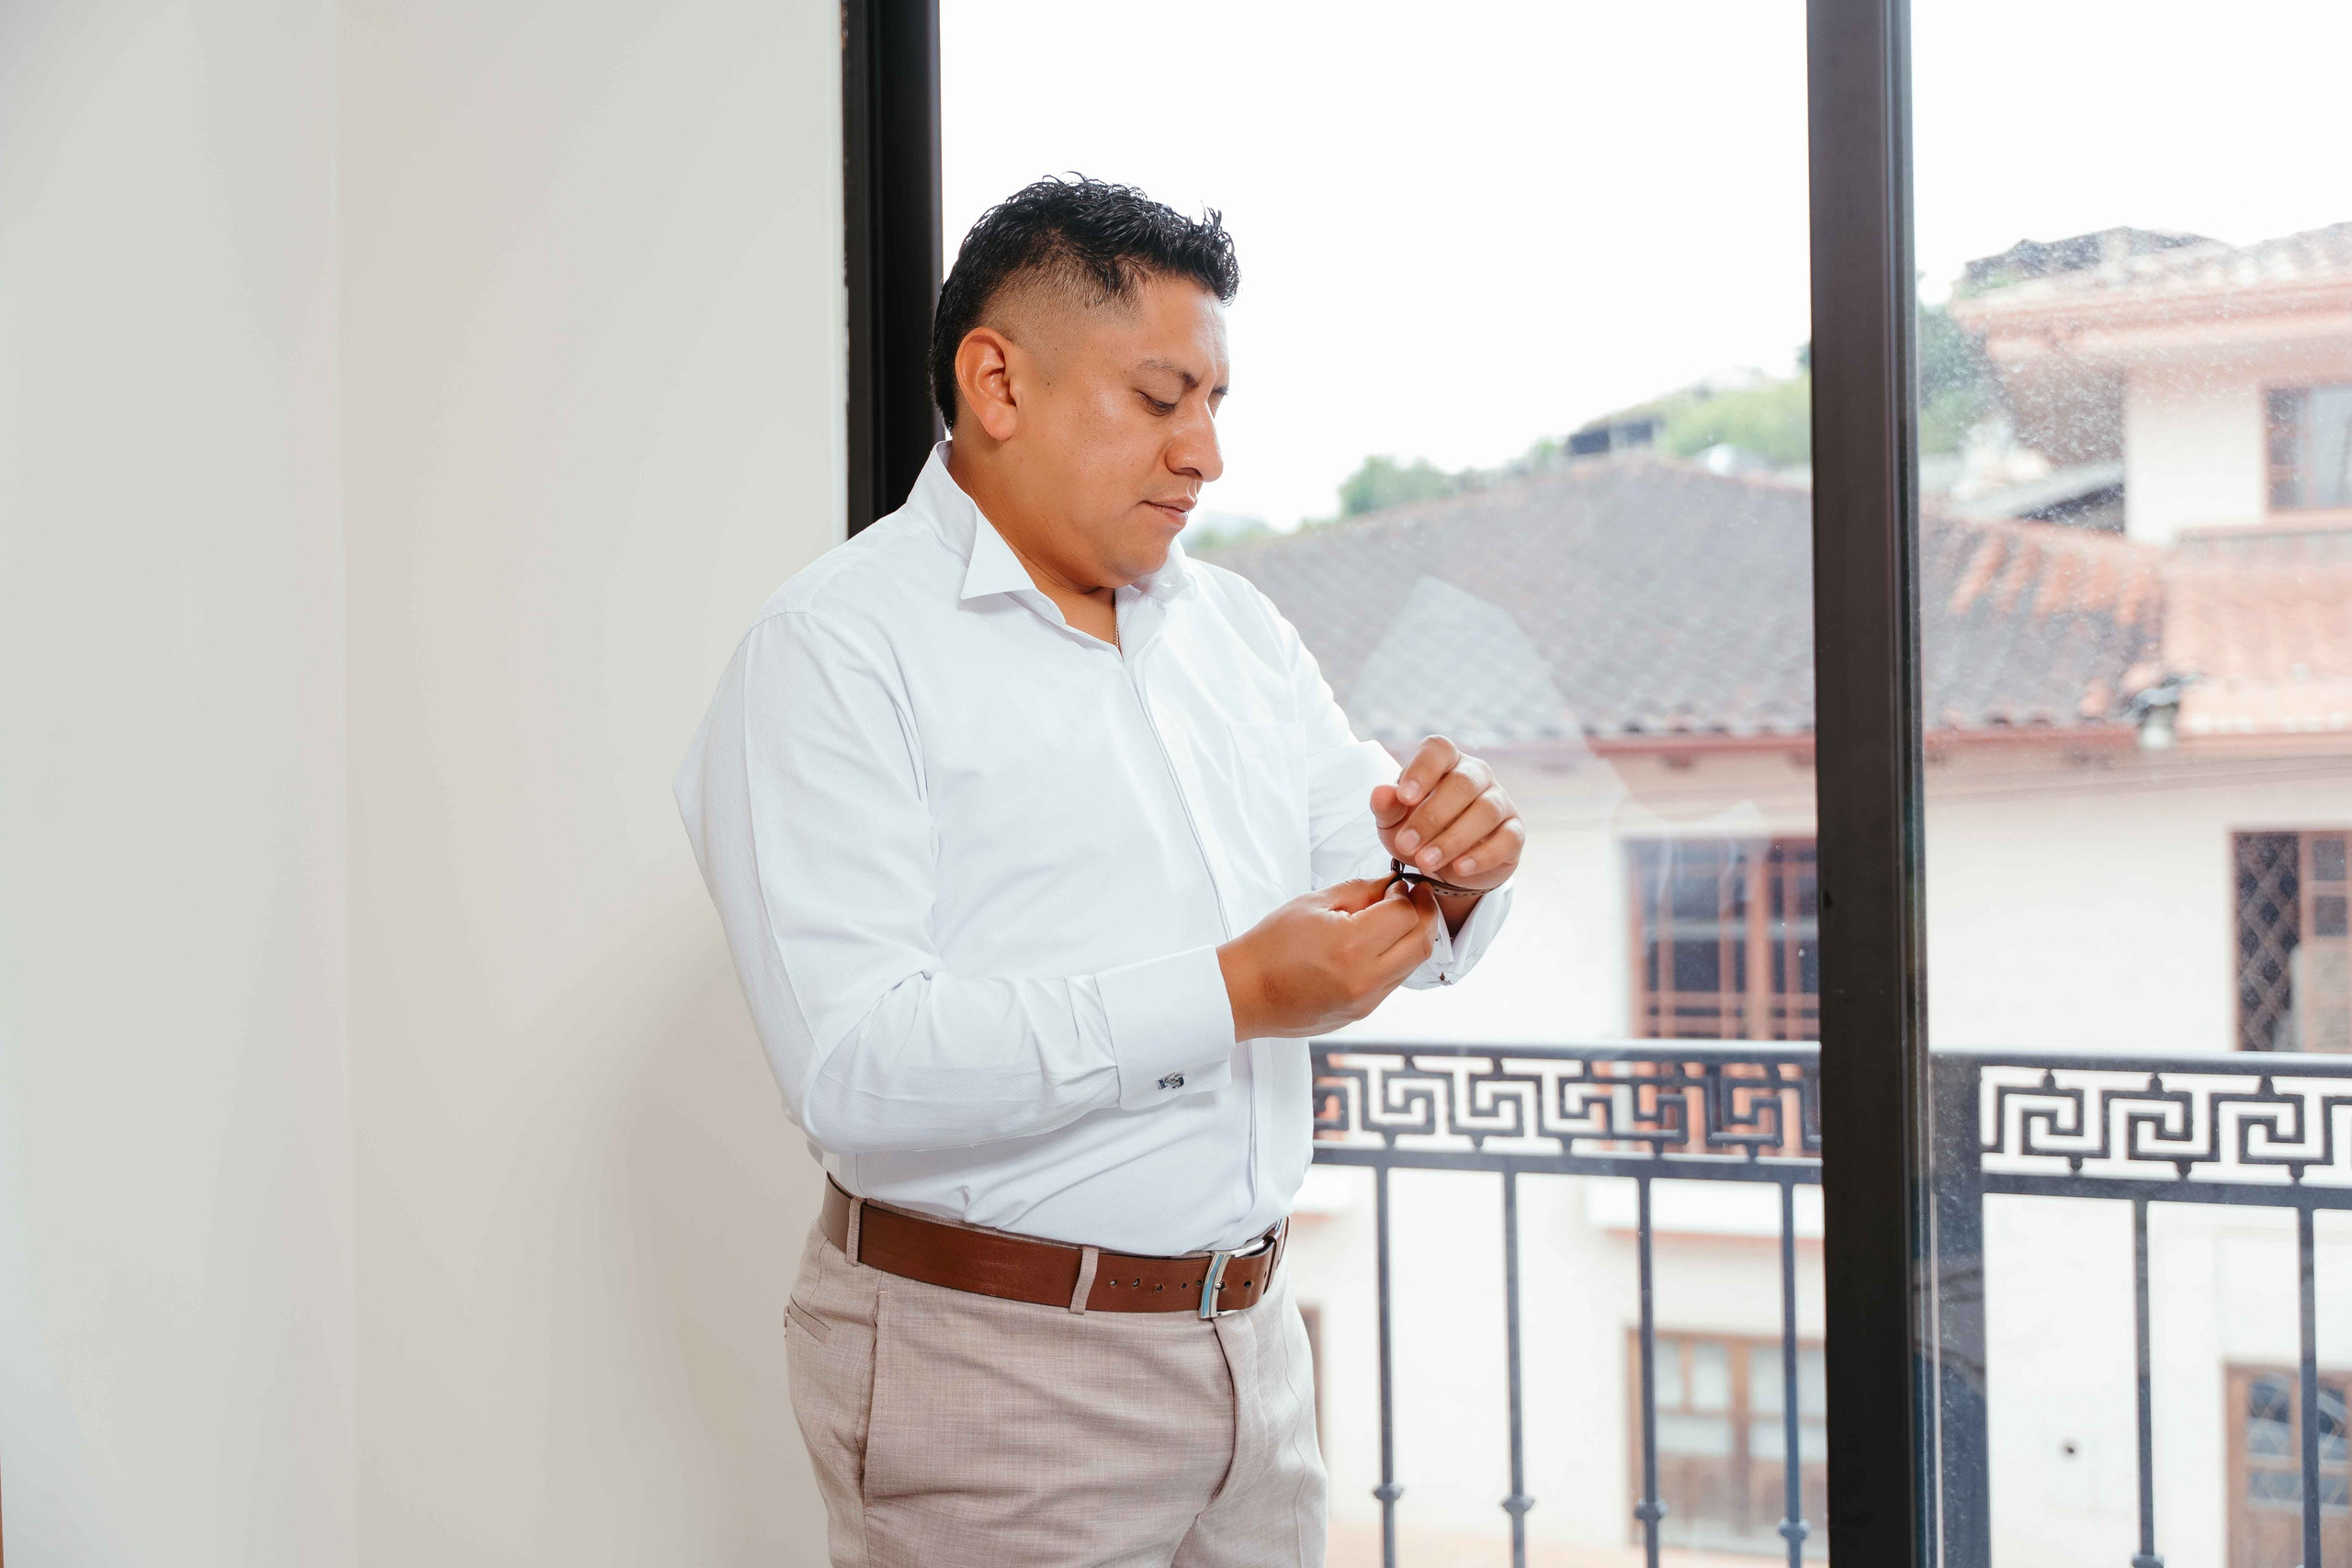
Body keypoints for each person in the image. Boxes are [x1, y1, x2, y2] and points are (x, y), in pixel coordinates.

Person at [675, 176, 1522, 1568]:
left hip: (1255, 1351)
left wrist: (1454, 872)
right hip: (993, 1372)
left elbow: (1372, 881)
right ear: (996, 383)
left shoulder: (1233, 629)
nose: (1205, 456)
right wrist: (1232, 992)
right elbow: (857, 1067)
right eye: (1159, 397)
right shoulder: (833, 652)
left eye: (1217, 403)